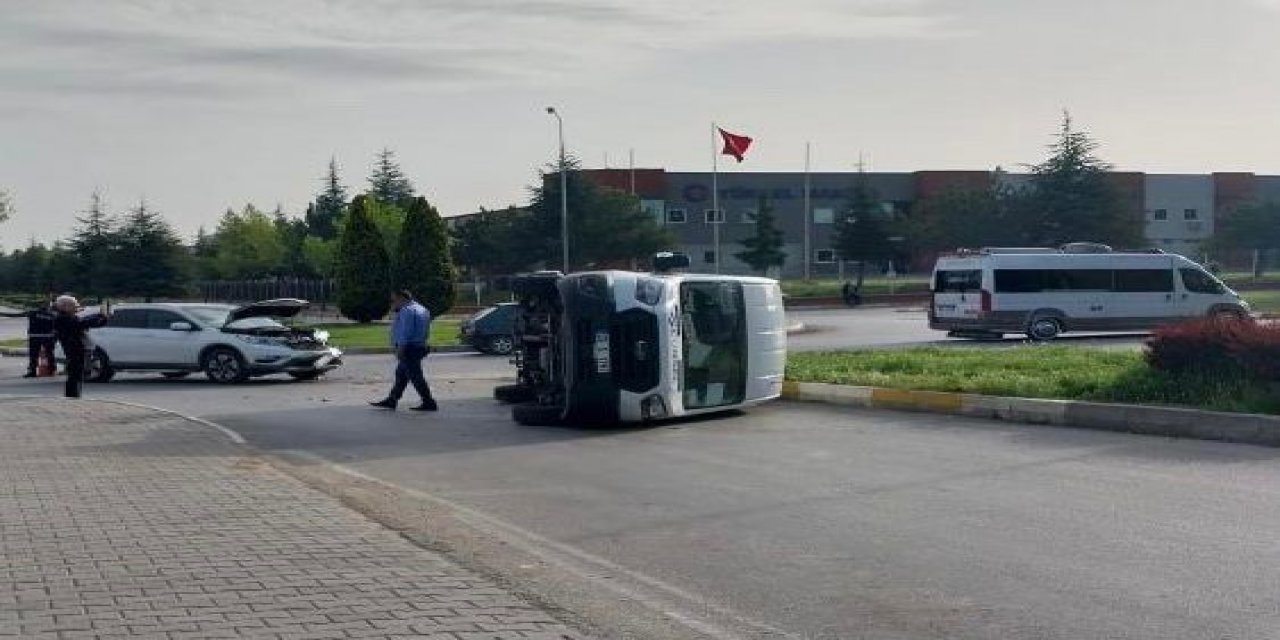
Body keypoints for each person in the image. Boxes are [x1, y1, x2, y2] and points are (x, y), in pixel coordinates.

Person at [370, 290, 438, 412]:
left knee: (416, 377)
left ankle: (429, 402)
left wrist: (401, 348)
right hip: (419, 346)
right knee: (401, 375)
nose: (393, 303)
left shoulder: (407, 311)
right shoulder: (422, 309)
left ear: (401, 298)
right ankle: (392, 399)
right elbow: (427, 329)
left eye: (394, 300)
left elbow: (406, 332)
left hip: (409, 348)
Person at [53, 295, 110, 398]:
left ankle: (74, 395)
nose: (76, 308)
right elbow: (82, 323)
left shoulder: (70, 317)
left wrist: (103, 318)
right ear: (65, 306)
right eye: (74, 305)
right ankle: (72, 396)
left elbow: (86, 322)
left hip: (78, 347)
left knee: (78, 373)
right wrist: (99, 316)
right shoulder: (62, 318)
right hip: (73, 347)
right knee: (75, 373)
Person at [0, 297, 56, 378]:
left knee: (34, 355)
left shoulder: (33, 312)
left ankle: (32, 371)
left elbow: (15, 315)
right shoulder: (52, 315)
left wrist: (1, 314)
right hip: (48, 337)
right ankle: (51, 370)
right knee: (49, 354)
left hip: (34, 337)